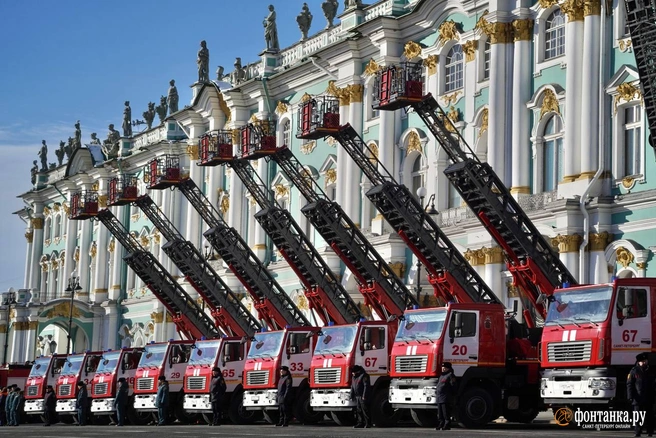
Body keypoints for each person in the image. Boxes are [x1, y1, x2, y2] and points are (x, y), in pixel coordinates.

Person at [627, 352, 655, 437]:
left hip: (649, 397)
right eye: (642, 361)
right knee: (638, 416)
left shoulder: (651, 371)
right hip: (638, 398)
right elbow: (629, 384)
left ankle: (650, 431)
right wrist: (630, 396)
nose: (644, 363)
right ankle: (637, 432)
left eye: (645, 361)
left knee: (650, 416)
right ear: (638, 362)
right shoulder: (634, 371)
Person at [435, 362, 457, 431]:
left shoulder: (450, 375)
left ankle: (447, 424)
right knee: (440, 412)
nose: (443, 369)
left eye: (444, 368)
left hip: (445, 397)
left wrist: (451, 395)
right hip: (439, 397)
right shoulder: (441, 376)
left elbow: (453, 386)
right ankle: (441, 423)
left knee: (445, 412)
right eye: (442, 367)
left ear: (448, 368)